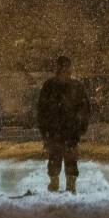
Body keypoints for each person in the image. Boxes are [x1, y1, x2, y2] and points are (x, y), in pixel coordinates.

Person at [36, 55, 92, 193]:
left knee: (68, 158)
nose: (65, 71)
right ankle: (57, 185)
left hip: (68, 131)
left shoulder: (73, 86)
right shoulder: (52, 86)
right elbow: (42, 110)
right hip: (57, 130)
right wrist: (45, 130)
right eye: (64, 68)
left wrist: (81, 127)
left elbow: (85, 109)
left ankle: (69, 186)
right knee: (57, 158)